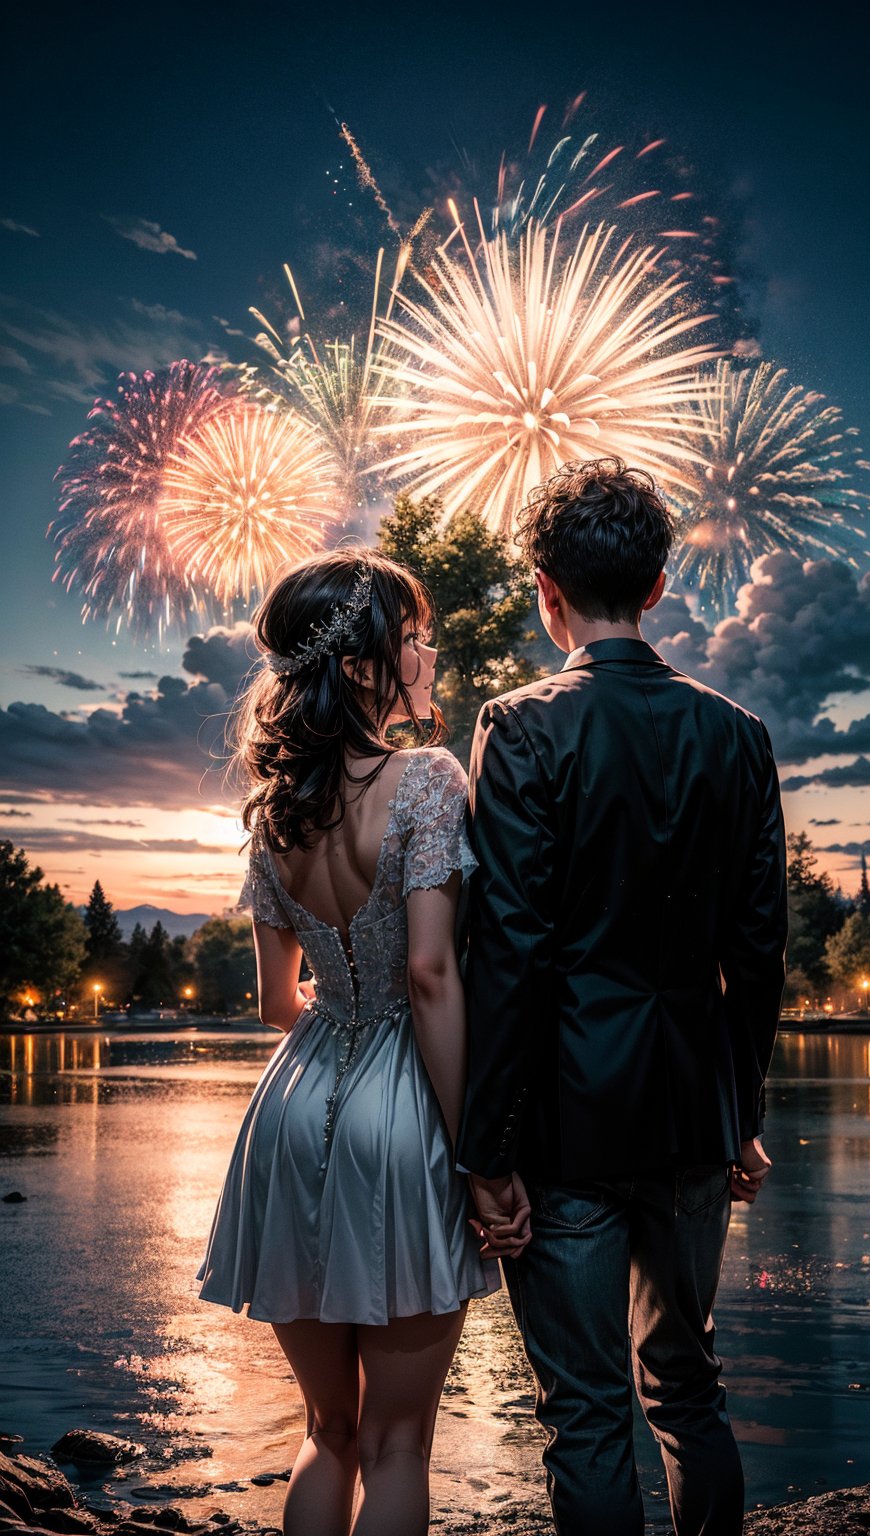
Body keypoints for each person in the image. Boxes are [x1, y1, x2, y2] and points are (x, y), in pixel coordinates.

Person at [457, 458, 788, 1536]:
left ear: (543, 588)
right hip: (694, 1112)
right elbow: (759, 953)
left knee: (586, 1413)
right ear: (656, 588)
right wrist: (740, 1116)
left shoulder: (519, 727)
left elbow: (507, 952)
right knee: (689, 1388)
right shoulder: (738, 735)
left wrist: (487, 1152)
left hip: (562, 1122)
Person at [196, 548, 522, 1536]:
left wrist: (334, 1028)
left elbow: (271, 1003)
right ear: (364, 664)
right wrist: (478, 1163)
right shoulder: (424, 780)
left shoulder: (274, 813)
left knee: (326, 1429)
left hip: (289, 1108)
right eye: (411, 635)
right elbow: (430, 976)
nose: (427, 648)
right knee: (395, 1443)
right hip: (405, 1109)